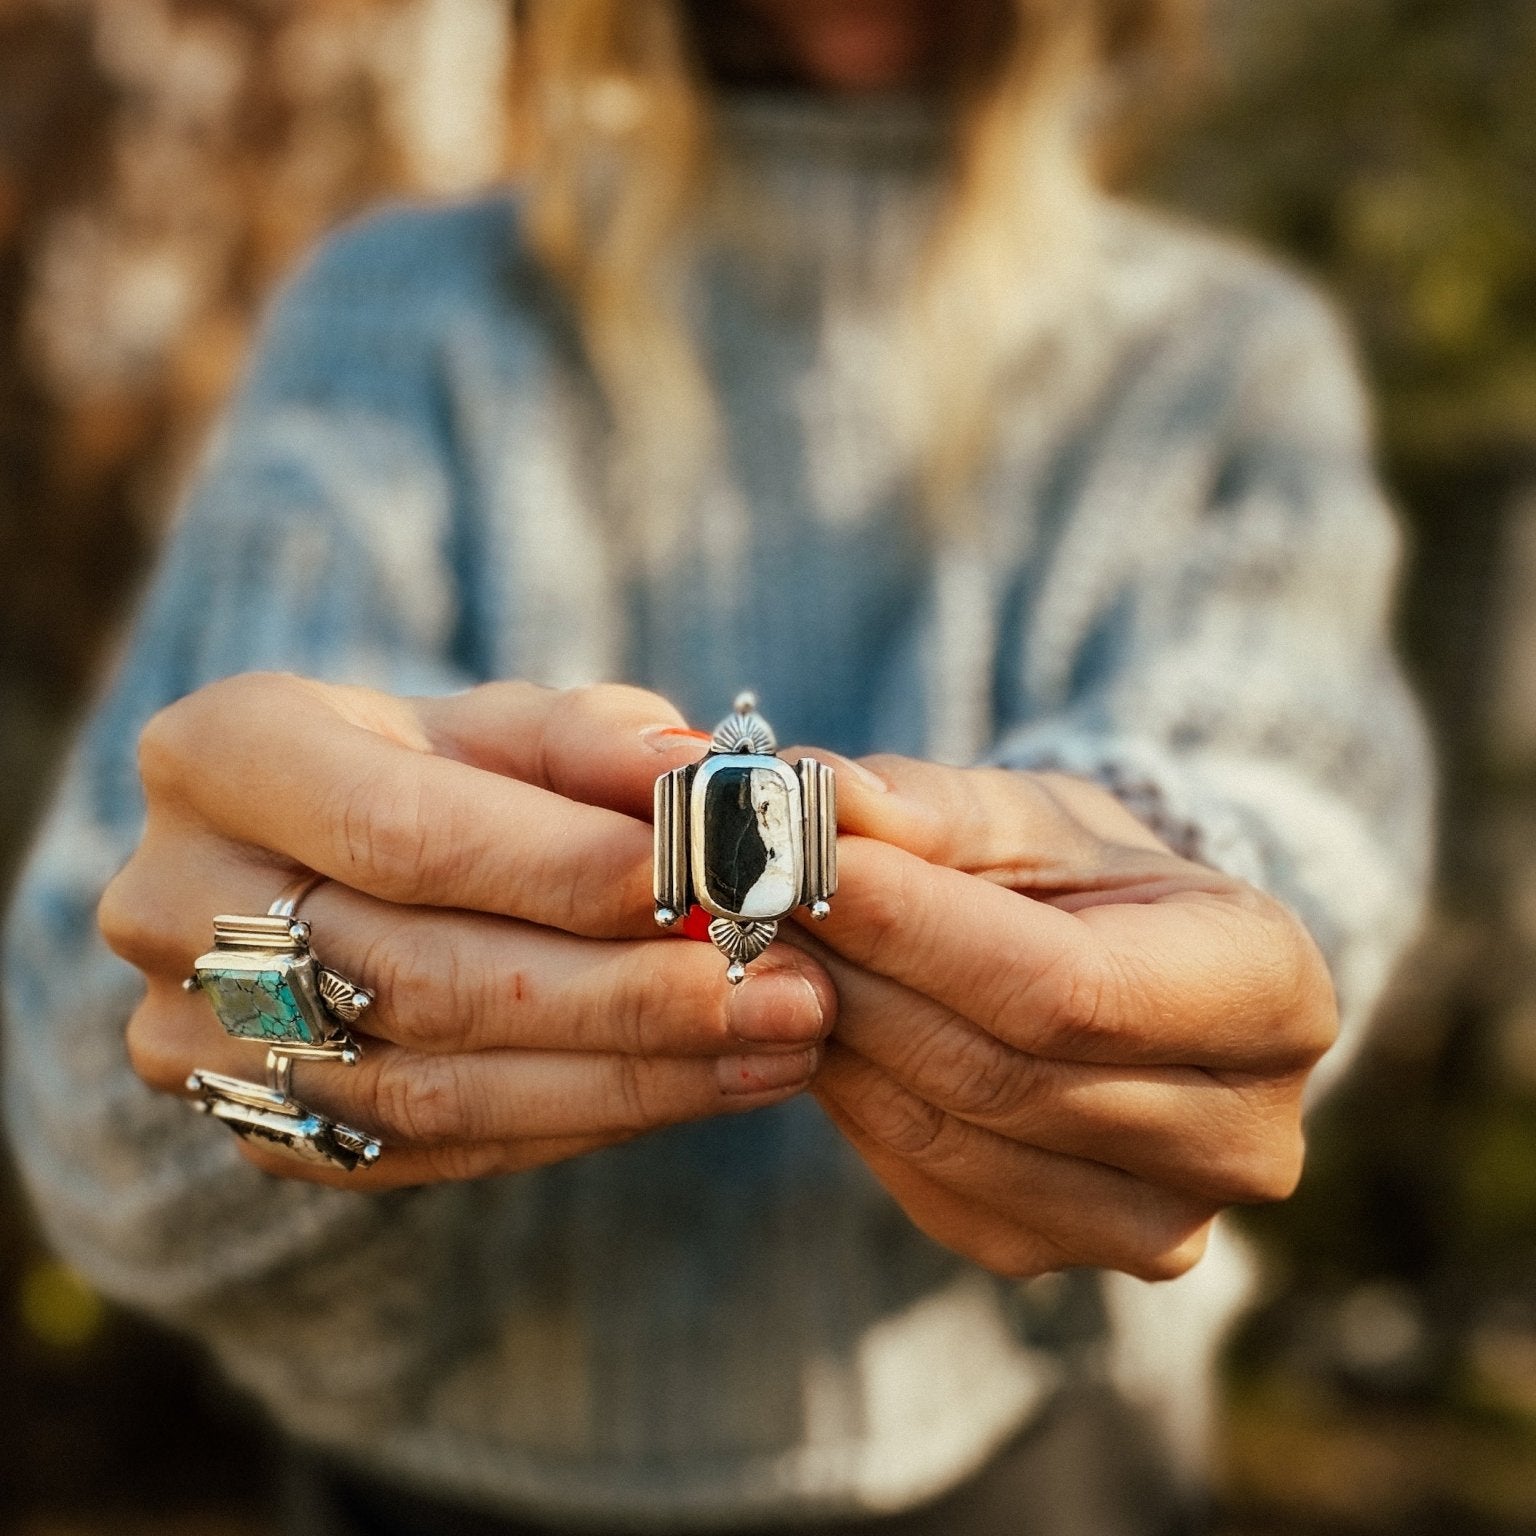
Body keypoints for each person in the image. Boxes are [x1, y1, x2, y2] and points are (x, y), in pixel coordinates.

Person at [3, 1, 1432, 1533]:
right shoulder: (395, 316)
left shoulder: (1215, 359)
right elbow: (122, 1021)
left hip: (1036, 1460)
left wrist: (1142, 867)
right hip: (421, 1486)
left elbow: (1287, 773)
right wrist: (277, 999)